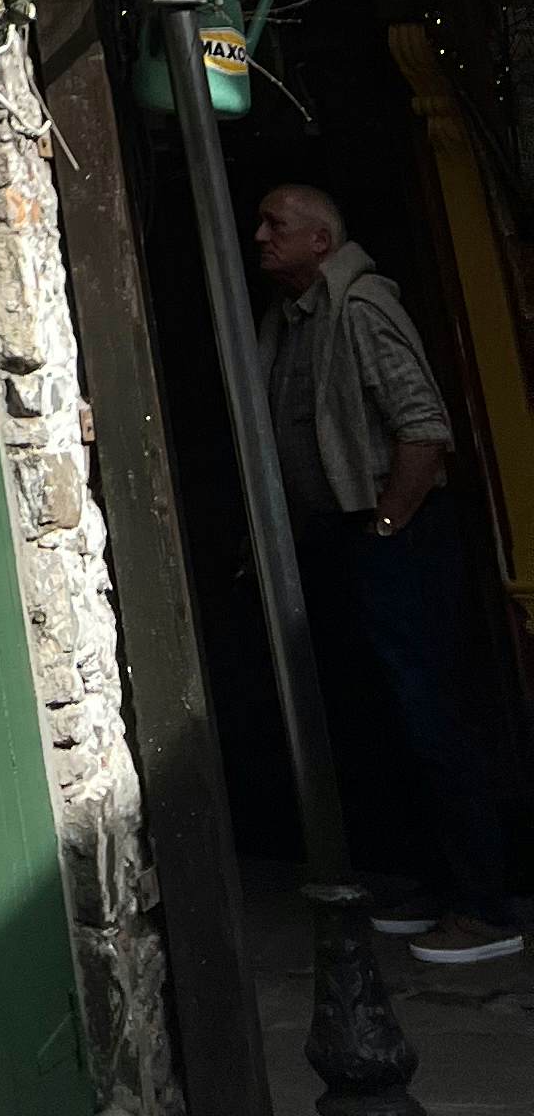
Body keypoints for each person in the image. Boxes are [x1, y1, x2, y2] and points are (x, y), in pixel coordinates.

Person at [253, 182, 516, 967]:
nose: (259, 236)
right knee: (387, 716)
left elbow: (423, 428)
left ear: (321, 243)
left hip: (396, 535)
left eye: (277, 225)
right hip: (352, 537)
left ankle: (487, 906)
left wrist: (391, 525)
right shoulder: (292, 321)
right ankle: (433, 883)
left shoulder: (360, 308)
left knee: (431, 713)